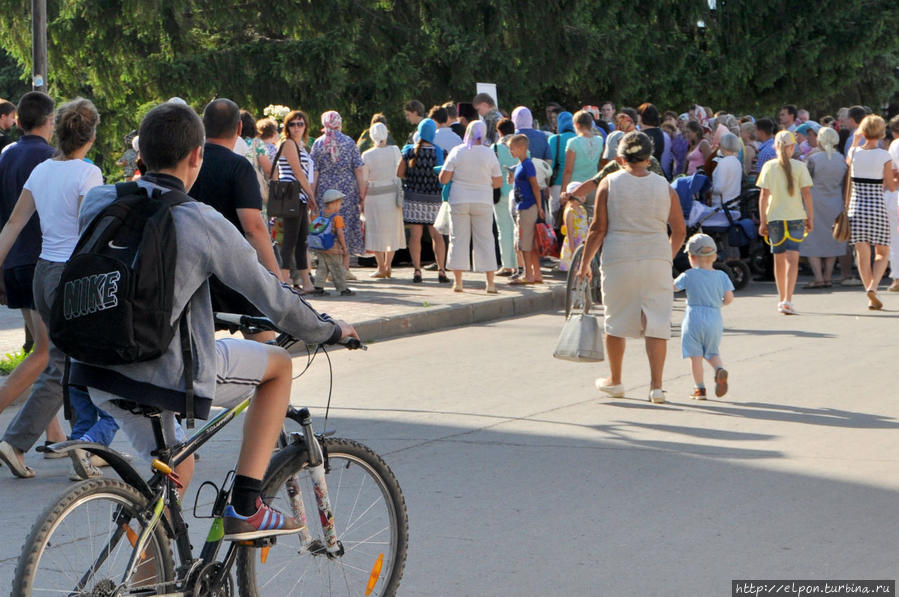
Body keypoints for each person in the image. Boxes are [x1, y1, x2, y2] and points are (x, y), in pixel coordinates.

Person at [74, 101, 359, 540]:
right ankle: (246, 505)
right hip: (166, 372)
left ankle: (146, 579)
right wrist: (327, 328)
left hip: (96, 366)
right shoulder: (199, 220)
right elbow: (271, 296)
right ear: (196, 156)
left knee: (178, 470)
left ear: (142, 155)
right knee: (277, 367)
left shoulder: (99, 200)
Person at [0, 98, 120, 481]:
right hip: (74, 277)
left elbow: (12, 227)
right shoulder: (89, 175)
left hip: (43, 272)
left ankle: (80, 442)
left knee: (68, 360)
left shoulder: (41, 171)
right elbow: (91, 233)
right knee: (64, 364)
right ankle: (22, 442)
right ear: (91, 134)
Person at [576, 132, 686, 404]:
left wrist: (584, 263)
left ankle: (615, 380)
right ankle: (657, 386)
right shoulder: (665, 187)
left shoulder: (609, 183)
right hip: (656, 260)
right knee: (657, 323)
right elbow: (680, 230)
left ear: (620, 158)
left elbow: (598, 229)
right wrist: (666, 256)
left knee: (615, 320)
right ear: (649, 159)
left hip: (619, 258)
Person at [0, 91, 68, 477]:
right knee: (46, 353)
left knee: (43, 351)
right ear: (48, 120)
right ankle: (17, 438)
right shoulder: (46, 158)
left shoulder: (7, 154)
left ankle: (55, 435)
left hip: (14, 261)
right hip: (40, 262)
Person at [188, 99, 283, 341]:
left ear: (202, 125)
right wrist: (276, 279)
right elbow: (253, 227)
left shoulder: (188, 163)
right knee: (269, 351)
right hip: (236, 271)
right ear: (239, 129)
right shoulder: (238, 166)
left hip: (193, 273)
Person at [438, 120, 503, 293]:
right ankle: (490, 283)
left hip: (459, 200)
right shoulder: (489, 154)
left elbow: (444, 178)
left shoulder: (457, 151)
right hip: (483, 200)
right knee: (485, 240)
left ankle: (458, 282)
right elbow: (498, 182)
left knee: (457, 239)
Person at [757, 131, 814, 314]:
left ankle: (781, 298)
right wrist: (810, 217)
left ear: (775, 147)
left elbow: (763, 196)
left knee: (779, 259)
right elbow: (807, 195)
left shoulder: (768, 166)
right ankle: (788, 298)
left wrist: (762, 220)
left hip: (774, 217)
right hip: (796, 216)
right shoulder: (800, 166)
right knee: (793, 259)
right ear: (792, 147)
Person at [844, 115, 898, 309]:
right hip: (877, 206)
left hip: (856, 207)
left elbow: (848, 162)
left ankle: (869, 291)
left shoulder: (855, 152)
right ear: (882, 132)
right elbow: (891, 187)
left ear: (864, 131)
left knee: (862, 253)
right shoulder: (884, 156)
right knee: (882, 252)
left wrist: (856, 139)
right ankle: (873, 287)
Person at [673, 233, 734, 400]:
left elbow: (673, 287)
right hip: (714, 317)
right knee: (712, 351)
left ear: (691, 257)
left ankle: (699, 388)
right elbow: (728, 298)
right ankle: (718, 369)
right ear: (714, 256)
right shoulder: (722, 276)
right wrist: (719, 304)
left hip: (693, 317)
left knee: (695, 356)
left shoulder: (688, 275)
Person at [311, 110, 366, 276]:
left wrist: (312, 195)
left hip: (325, 190)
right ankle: (344, 268)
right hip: (346, 190)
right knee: (345, 225)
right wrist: (362, 193)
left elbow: (314, 172)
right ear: (339, 123)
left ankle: (326, 268)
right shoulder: (349, 142)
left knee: (327, 226)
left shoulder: (318, 144)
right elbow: (358, 168)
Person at [397, 118, 448, 283]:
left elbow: (399, 173)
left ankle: (417, 270)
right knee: (437, 236)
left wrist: (412, 180)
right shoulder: (438, 151)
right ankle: (441, 270)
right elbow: (441, 176)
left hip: (413, 198)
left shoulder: (409, 151)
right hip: (434, 199)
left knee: (415, 236)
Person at [800, 126, 848, 287]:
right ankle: (827, 276)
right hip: (835, 202)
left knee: (813, 239)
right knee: (832, 239)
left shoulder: (813, 159)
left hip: (814, 202)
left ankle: (818, 277)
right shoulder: (841, 159)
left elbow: (804, 181)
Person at [275, 109, 317, 291]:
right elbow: (298, 172)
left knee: (301, 240)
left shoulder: (300, 145)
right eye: (293, 124)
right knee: (290, 240)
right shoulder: (288, 144)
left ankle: (305, 281)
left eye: (300, 123)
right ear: (287, 127)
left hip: (297, 194)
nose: (297, 127)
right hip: (290, 193)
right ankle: (284, 282)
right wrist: (311, 195)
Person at [362, 122, 405, 278]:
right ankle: (388, 265)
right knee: (392, 231)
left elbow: (365, 180)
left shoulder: (367, 155)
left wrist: (361, 199)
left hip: (373, 197)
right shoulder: (395, 150)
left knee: (375, 231)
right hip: (392, 195)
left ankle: (381, 266)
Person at [508, 134, 545, 285]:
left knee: (524, 243)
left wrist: (539, 207)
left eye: (512, 148)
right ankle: (536, 274)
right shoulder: (521, 164)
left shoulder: (527, 164)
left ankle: (528, 275)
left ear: (522, 148)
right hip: (525, 205)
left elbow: (535, 186)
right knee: (530, 242)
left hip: (527, 206)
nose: (510, 151)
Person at [310, 190, 353, 296]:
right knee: (337, 268)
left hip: (320, 247)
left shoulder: (319, 216)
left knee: (322, 267)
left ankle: (318, 287)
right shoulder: (337, 218)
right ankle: (343, 288)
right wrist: (344, 247)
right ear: (333, 203)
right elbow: (340, 234)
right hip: (333, 248)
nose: (340, 206)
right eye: (339, 203)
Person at [492, 118, 519, 276]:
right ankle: (518, 263)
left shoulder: (494, 148)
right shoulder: (523, 148)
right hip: (518, 191)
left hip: (500, 191)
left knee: (503, 229)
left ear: (499, 131)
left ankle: (507, 265)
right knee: (517, 228)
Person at [561, 110, 604, 192]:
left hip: (575, 187)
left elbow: (568, 171)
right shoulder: (599, 140)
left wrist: (563, 191)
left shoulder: (573, 142)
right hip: (593, 185)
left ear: (576, 124)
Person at [548, 111, 576, 225]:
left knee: (556, 218)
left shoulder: (554, 139)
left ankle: (558, 241)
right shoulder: (579, 138)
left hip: (557, 184)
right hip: (577, 184)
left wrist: (546, 184)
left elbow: (550, 163)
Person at [559, 181, 588, 272]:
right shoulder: (570, 212)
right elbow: (569, 232)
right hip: (574, 243)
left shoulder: (582, 210)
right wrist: (572, 248)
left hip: (583, 242)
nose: (584, 196)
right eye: (582, 194)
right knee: (574, 269)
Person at [710, 133, 742, 210]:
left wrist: (709, 188)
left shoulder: (723, 163)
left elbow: (719, 188)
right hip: (733, 203)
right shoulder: (737, 162)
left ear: (723, 145)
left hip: (721, 205)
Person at [887, 115, 899, 292]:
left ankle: (897, 277)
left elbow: (892, 172)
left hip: (896, 195)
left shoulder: (895, 145)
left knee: (896, 238)